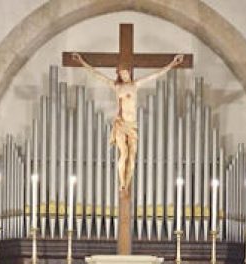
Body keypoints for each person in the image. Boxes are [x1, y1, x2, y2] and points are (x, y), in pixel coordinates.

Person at [71, 52, 184, 192]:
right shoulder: (117, 87)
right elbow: (97, 74)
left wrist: (172, 64)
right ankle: (122, 183)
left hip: (132, 125)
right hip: (120, 124)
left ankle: (127, 181)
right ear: (119, 74)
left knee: (132, 156)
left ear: (130, 73)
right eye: (122, 73)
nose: (125, 75)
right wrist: (82, 62)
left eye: (127, 73)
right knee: (123, 153)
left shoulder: (135, 85)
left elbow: (156, 75)